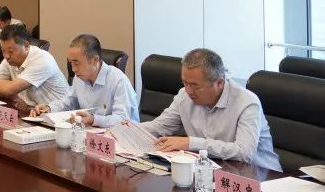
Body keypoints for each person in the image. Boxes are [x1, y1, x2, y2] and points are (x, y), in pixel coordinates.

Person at [137, 48, 281, 171]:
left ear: (219, 83)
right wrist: (127, 129)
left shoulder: (247, 103)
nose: (188, 91)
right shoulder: (184, 96)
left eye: (195, 86)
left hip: (262, 178)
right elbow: (159, 127)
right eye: (185, 83)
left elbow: (244, 153)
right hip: (213, 172)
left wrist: (191, 143)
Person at [31, 33, 137, 126]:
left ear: (95, 60)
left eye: (76, 63)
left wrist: (94, 120)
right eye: (71, 63)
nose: (73, 69)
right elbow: (68, 101)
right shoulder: (79, 78)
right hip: (90, 133)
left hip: (123, 137)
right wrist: (49, 108)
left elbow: (122, 119)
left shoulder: (118, 80)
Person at [0, 24, 68, 108]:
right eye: (3, 51)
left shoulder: (42, 59)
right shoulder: (9, 59)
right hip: (31, 111)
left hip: (57, 113)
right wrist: (13, 96)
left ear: (26, 46)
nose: (6, 56)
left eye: (10, 51)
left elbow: (8, 89)